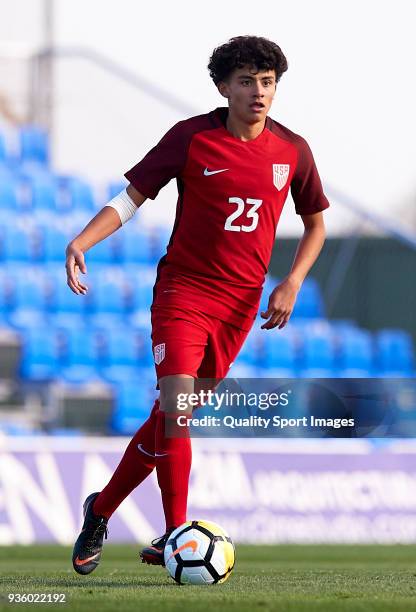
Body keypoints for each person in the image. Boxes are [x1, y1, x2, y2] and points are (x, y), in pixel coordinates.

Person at [66, 35, 329, 575]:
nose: (259, 93)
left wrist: (293, 282)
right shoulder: (191, 138)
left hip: (239, 306)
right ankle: (175, 534)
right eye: (247, 82)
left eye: (268, 83)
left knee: (168, 419)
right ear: (222, 87)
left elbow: (316, 224)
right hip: (184, 293)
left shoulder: (293, 151)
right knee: (179, 412)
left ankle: (101, 508)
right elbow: (131, 198)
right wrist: (82, 242)